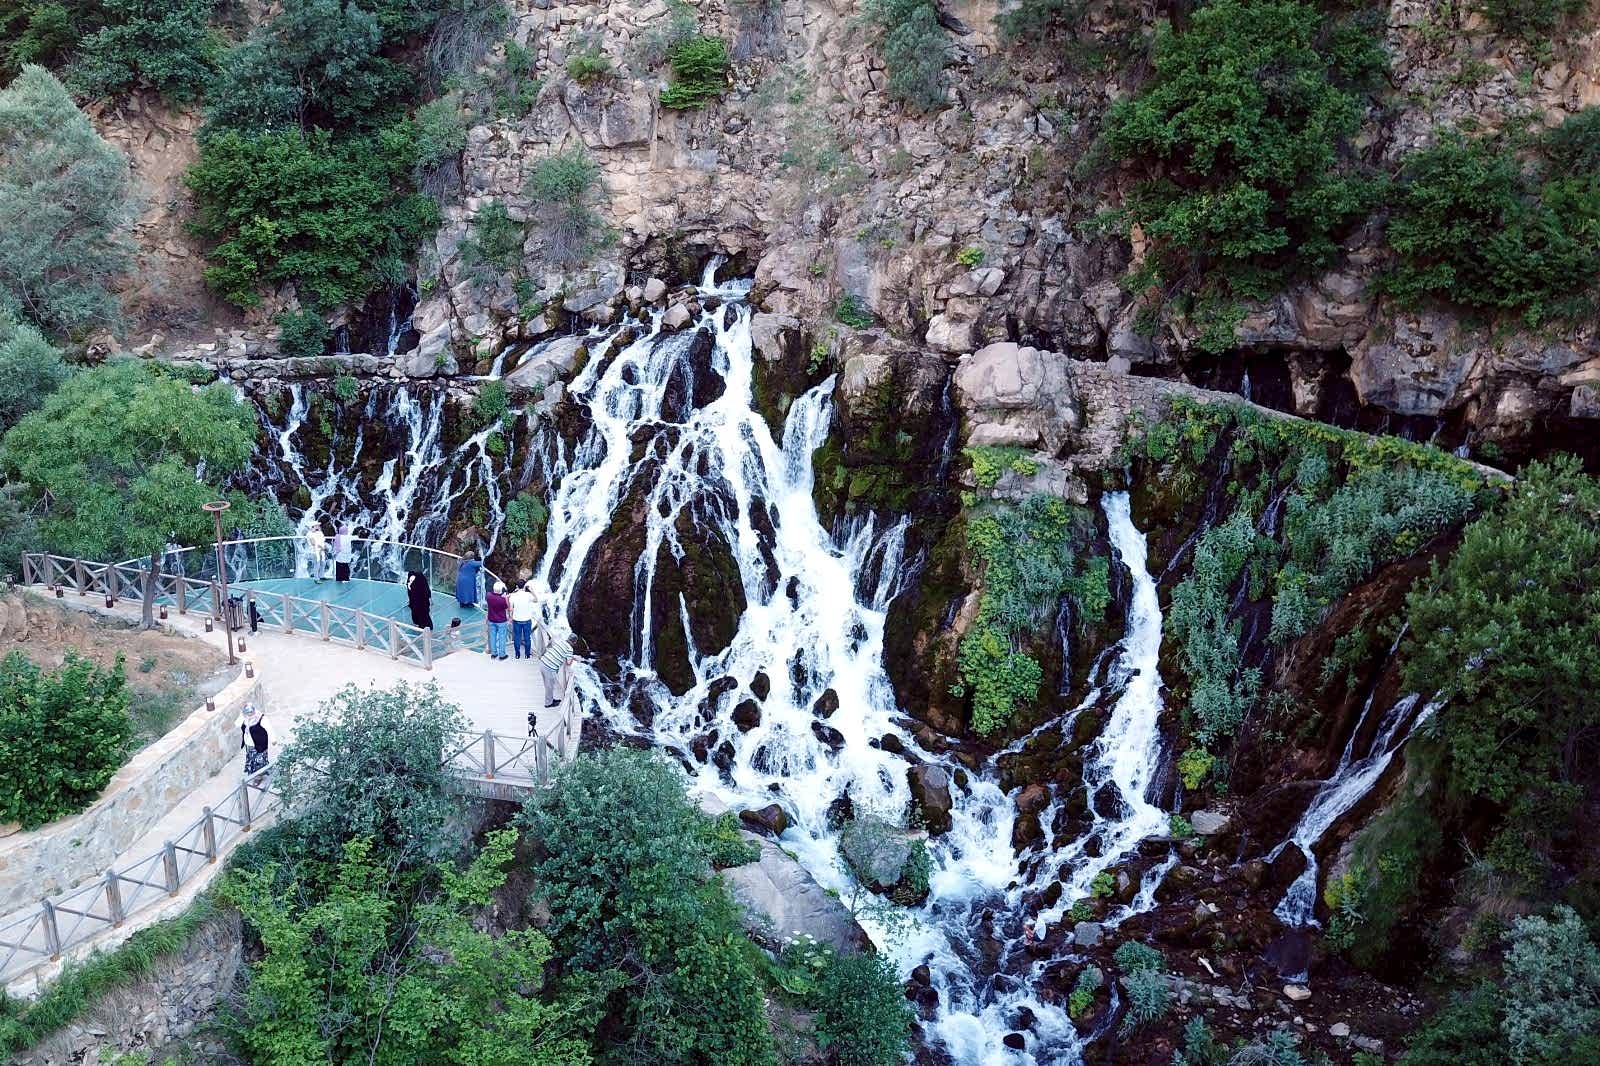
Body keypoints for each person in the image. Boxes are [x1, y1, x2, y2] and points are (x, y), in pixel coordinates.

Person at [536, 622, 577, 709]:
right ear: (574, 642)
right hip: (549, 667)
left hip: (543, 662)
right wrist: (573, 658)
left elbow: (551, 644)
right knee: (549, 685)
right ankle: (548, 704)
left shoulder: (561, 641)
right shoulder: (570, 649)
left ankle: (551, 699)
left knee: (548, 685)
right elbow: (568, 663)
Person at [508, 579, 537, 659]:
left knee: (517, 637)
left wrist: (510, 617)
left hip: (516, 619)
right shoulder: (528, 595)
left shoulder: (513, 596)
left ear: (517, 586)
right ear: (524, 586)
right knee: (527, 637)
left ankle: (517, 655)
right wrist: (532, 591)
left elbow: (510, 608)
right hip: (527, 619)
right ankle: (527, 655)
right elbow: (536, 600)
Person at [240, 704, 269, 775]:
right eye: (247, 713)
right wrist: (242, 717)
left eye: (251, 713)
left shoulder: (261, 718)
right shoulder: (245, 719)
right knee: (252, 760)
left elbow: (269, 728)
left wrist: (273, 739)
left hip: (260, 744)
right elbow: (237, 724)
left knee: (259, 761)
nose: (249, 715)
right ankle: (253, 773)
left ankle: (259, 776)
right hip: (249, 744)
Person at [485, 580, 510, 660]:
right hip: (501, 621)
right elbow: (508, 607)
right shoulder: (502, 600)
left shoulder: (488, 596)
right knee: (502, 637)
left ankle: (494, 654)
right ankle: (502, 655)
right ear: (501, 590)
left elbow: (492, 595)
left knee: (493, 637)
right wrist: (506, 598)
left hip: (491, 619)